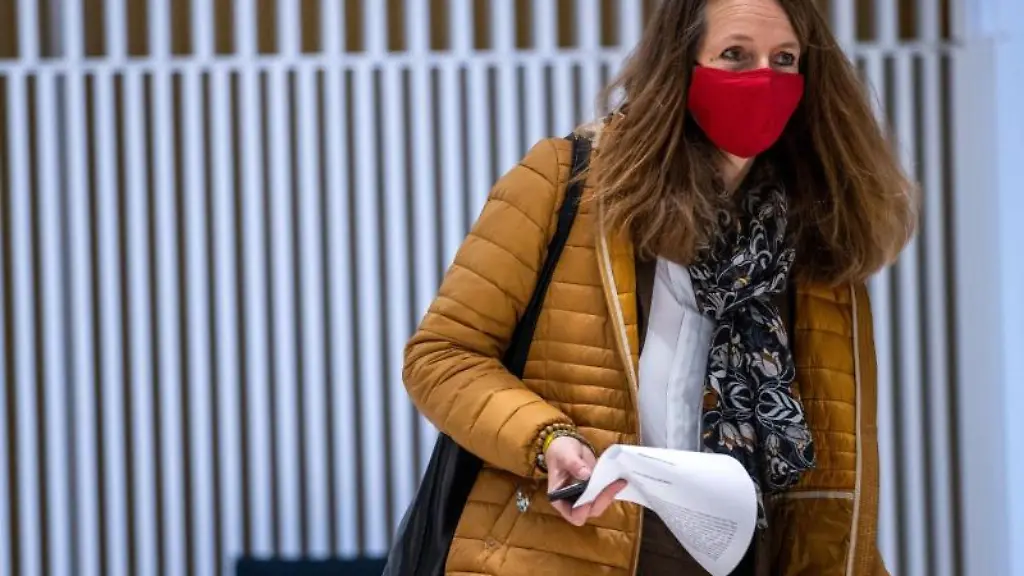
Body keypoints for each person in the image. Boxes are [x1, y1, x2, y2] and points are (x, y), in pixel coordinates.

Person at [403, 0, 916, 574]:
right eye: (735, 55)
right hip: (562, 551)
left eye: (786, 59)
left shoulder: (813, 243)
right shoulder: (564, 182)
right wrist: (545, 439)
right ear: (681, 64)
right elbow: (442, 356)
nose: (763, 78)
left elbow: (831, 487)